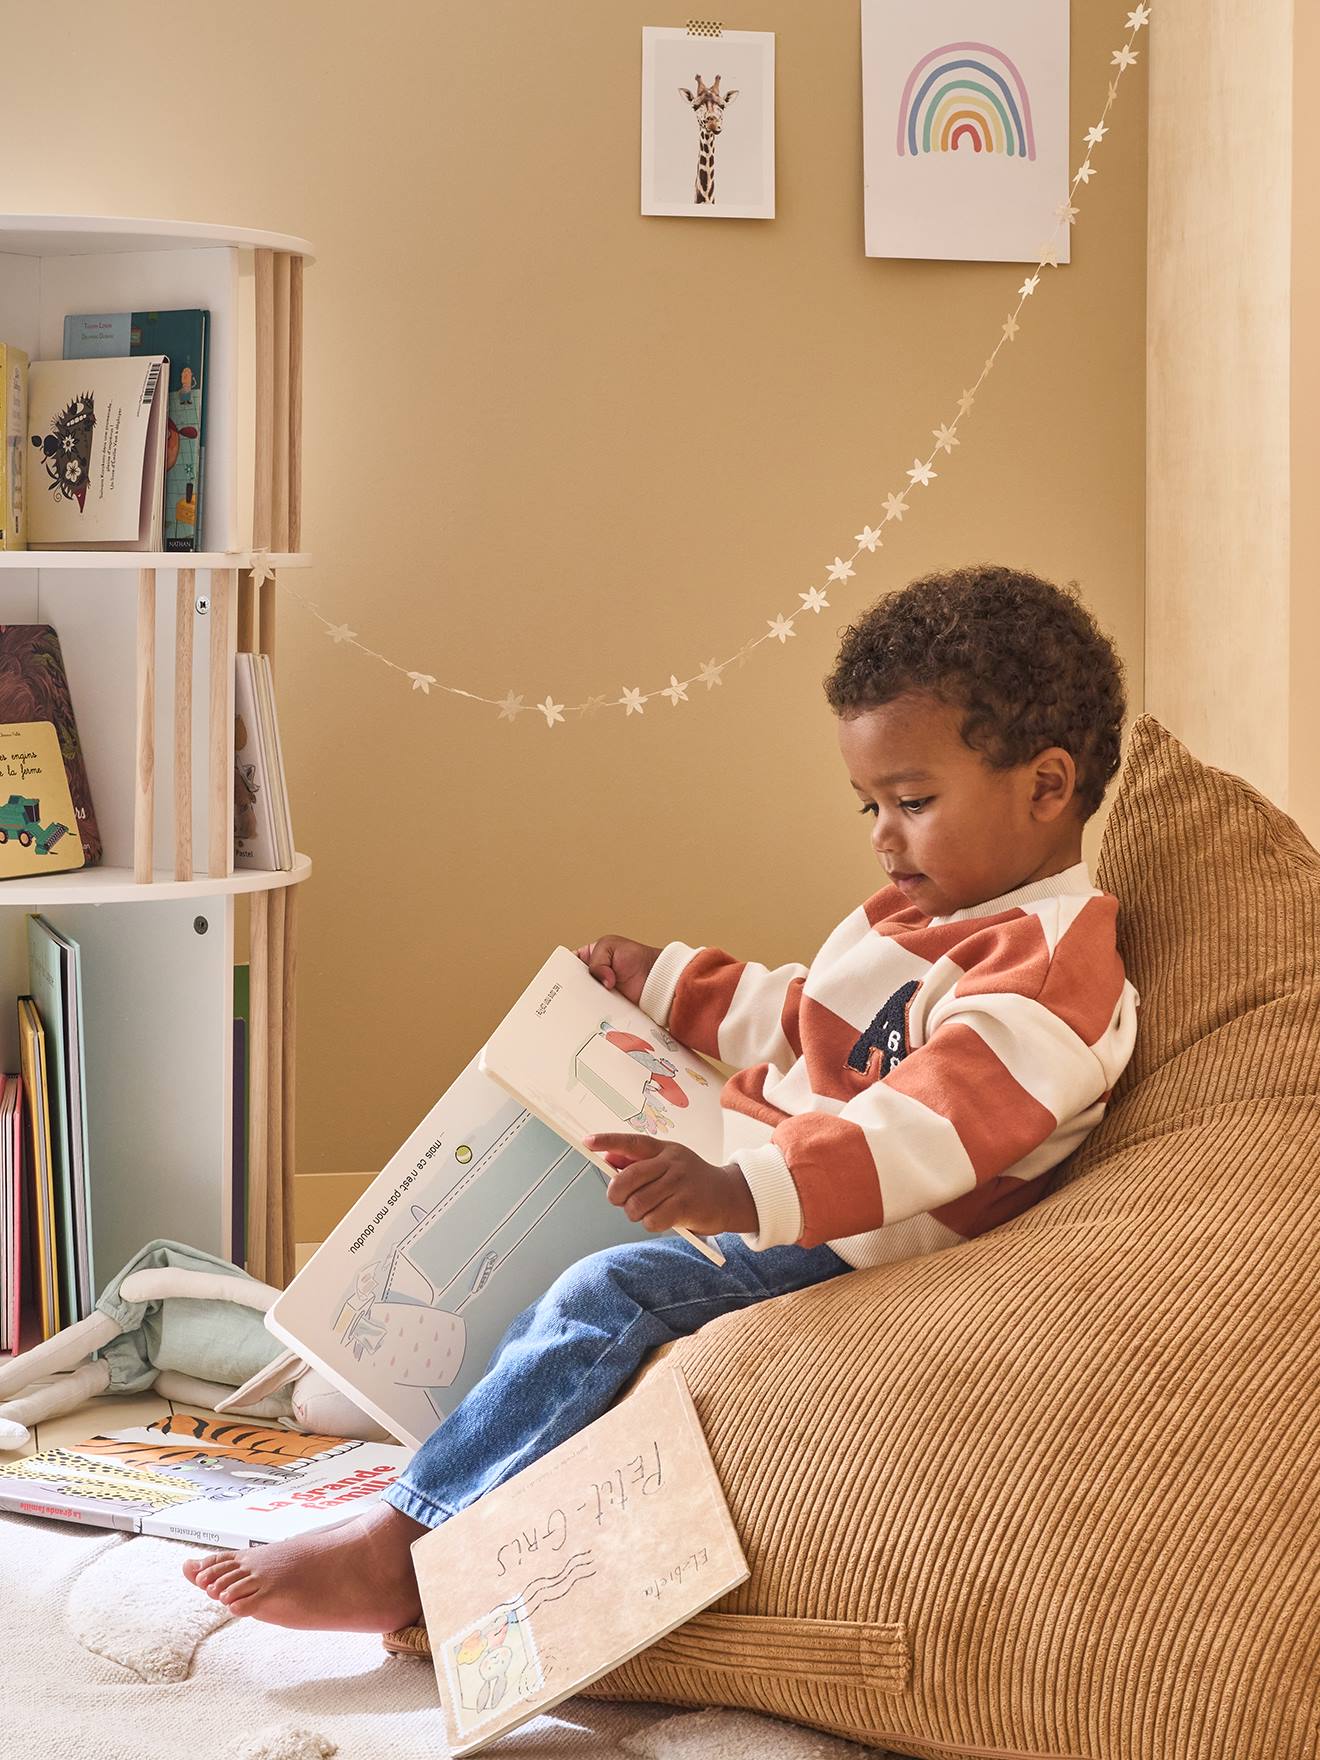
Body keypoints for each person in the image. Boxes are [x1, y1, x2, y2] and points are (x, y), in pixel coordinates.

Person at [183, 564, 1139, 1631]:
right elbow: (805, 1015)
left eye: (913, 803)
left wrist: (740, 1190)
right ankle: (406, 1391)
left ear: (1047, 786)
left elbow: (925, 1134)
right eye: (870, 803)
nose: (881, 834)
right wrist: (671, 982)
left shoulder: (1049, 969)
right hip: (769, 1178)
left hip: (859, 1242)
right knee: (548, 1183)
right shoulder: (920, 912)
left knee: (609, 1291)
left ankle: (401, 1550)